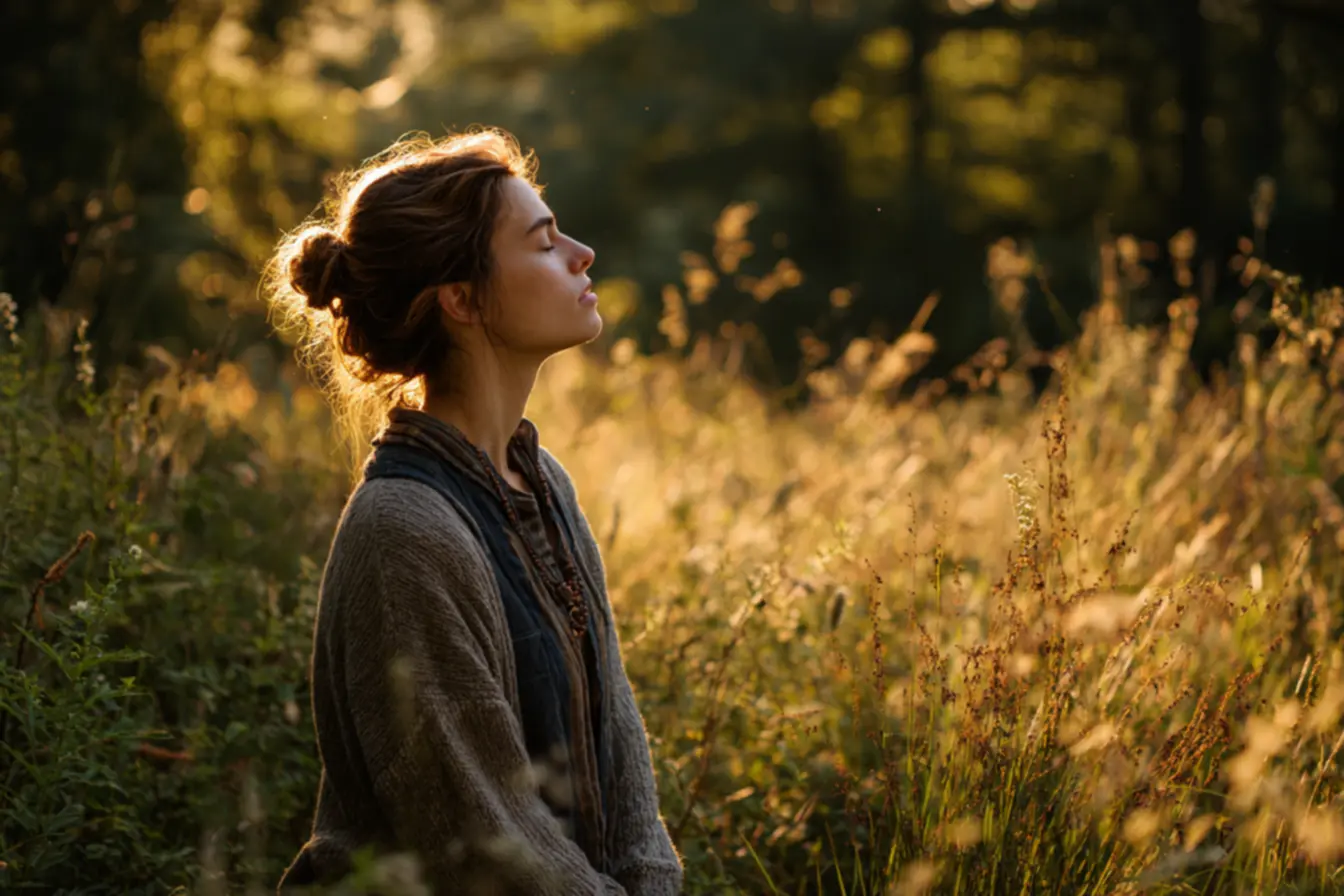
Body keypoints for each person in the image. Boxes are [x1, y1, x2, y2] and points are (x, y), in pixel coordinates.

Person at [265, 129, 683, 895]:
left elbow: (621, 749)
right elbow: (486, 840)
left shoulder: (543, 483)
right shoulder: (403, 533)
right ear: (460, 298)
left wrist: (652, 885)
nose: (582, 254)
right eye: (544, 243)